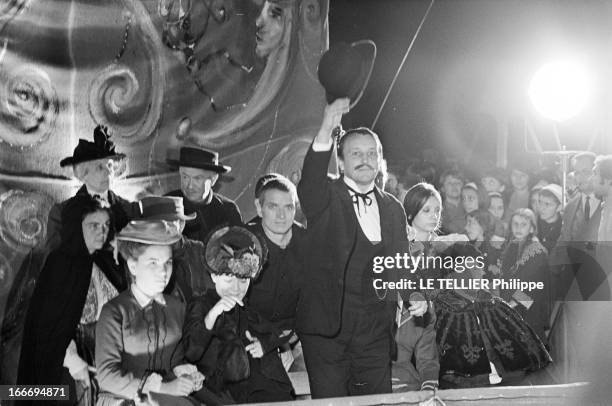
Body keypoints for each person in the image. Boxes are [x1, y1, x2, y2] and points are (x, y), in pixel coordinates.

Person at [296, 98, 426, 398]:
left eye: (371, 153)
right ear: (340, 162)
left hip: (375, 332)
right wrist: (327, 128)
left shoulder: (392, 207)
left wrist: (414, 295)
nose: (365, 159)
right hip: (327, 333)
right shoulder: (324, 196)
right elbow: (310, 181)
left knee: (375, 402)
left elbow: (400, 264)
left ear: (380, 161)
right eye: (355, 153)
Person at [17, 196, 127, 405]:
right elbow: (48, 326)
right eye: (93, 225)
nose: (101, 232)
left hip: (99, 358)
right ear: (77, 226)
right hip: (64, 366)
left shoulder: (94, 261)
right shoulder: (62, 262)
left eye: (105, 225)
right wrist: (73, 360)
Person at [95, 220, 206, 406]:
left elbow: (176, 360)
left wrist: (185, 375)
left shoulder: (177, 308)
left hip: (163, 400)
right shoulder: (114, 312)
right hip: (121, 399)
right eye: (153, 263)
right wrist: (163, 389)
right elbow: (107, 376)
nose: (163, 272)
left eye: (168, 262)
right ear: (132, 266)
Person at [183, 225, 294, 403]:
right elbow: (191, 352)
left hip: (253, 382)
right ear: (213, 277)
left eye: (243, 281)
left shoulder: (245, 307)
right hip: (218, 386)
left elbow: (275, 330)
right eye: (228, 280)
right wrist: (213, 314)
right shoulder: (201, 304)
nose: (235, 288)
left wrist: (264, 344)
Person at [246, 174, 305, 369]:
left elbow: (314, 305)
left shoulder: (310, 245)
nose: (282, 216)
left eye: (288, 207)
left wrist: (284, 342)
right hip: (253, 337)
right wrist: (273, 343)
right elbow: (239, 308)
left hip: (298, 337)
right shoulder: (243, 244)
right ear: (258, 208)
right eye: (273, 207)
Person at [393, 183, 442, 392]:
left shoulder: (443, 248)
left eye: (438, 210)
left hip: (434, 319)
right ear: (411, 214)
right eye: (427, 210)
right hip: (405, 316)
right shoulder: (399, 247)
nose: (434, 216)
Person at [166, 146, 242, 243]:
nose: (189, 185)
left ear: (213, 179)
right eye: (185, 177)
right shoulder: (166, 205)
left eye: (197, 178)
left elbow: (238, 249)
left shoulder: (228, 210)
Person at [500, 208, 550, 343]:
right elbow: (505, 277)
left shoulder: (537, 251)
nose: (518, 228)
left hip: (529, 304)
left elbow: (531, 287)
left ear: (532, 228)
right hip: (512, 297)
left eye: (523, 224)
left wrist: (508, 306)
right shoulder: (513, 245)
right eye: (515, 224)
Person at [536, 184, 563, 253]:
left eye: (547, 204)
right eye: (539, 201)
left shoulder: (564, 228)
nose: (541, 208)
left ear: (559, 207)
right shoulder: (532, 222)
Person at [439, 169, 466, 234]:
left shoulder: (470, 206)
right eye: (449, 183)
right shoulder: (439, 210)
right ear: (443, 188)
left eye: (458, 183)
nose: (454, 186)